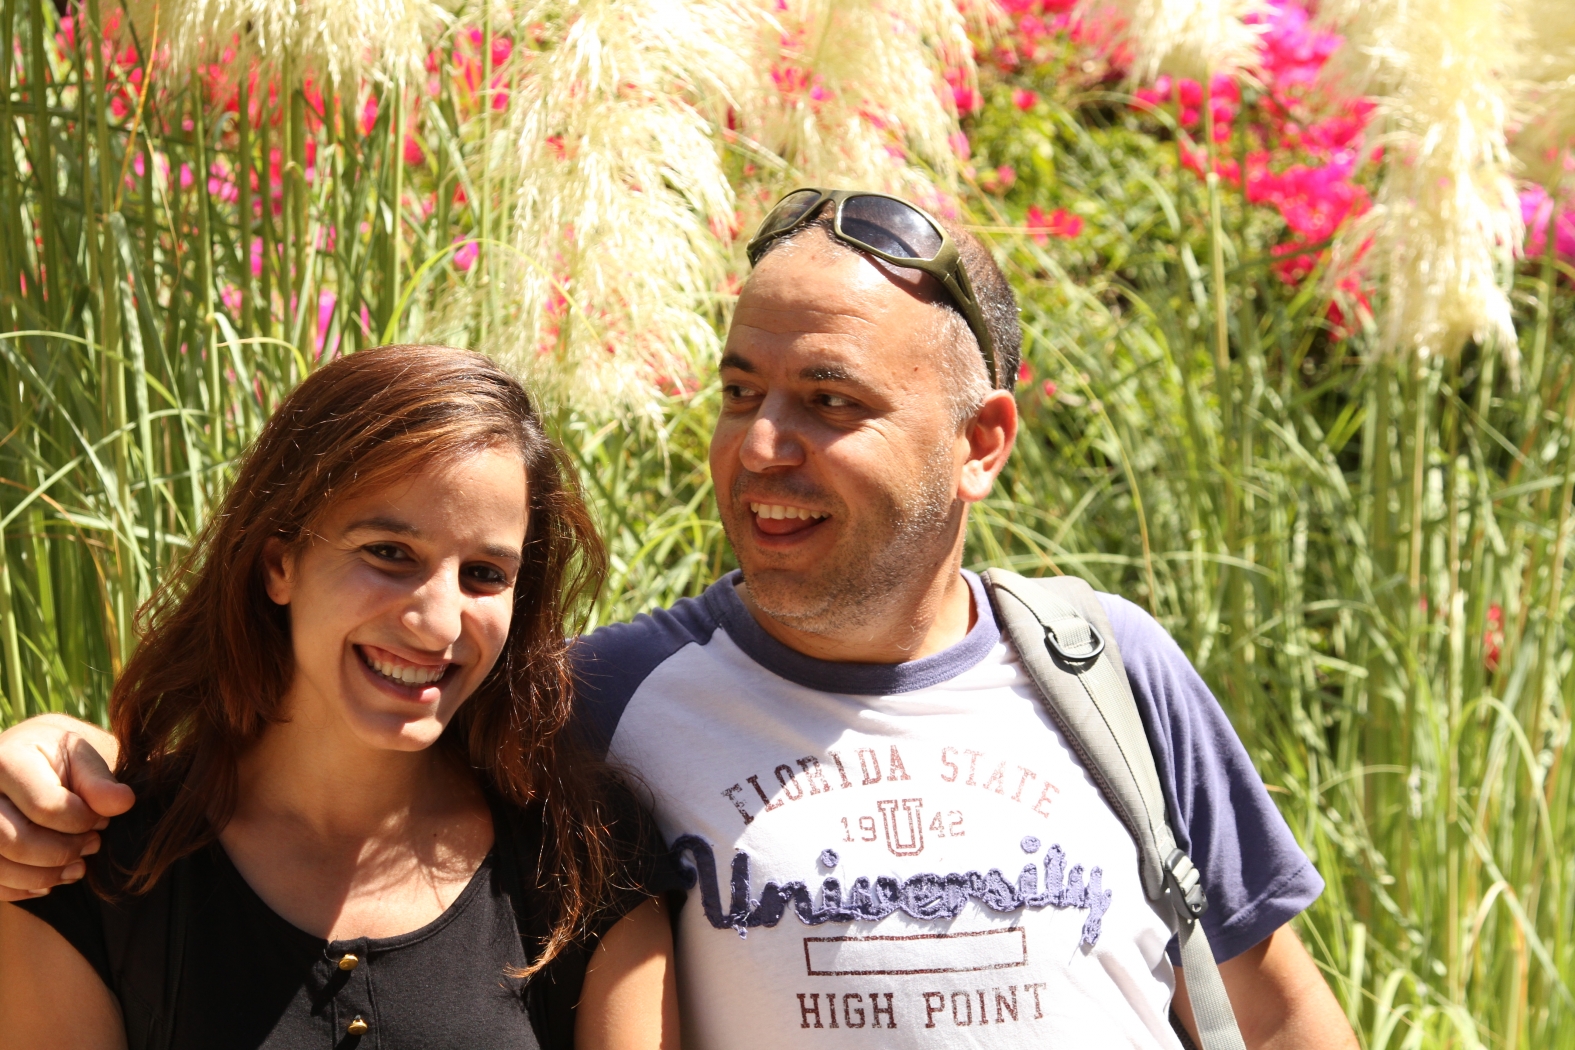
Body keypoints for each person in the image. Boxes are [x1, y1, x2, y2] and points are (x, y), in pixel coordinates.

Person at [0, 191, 1355, 1049]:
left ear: (982, 441)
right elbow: (350, 752)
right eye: (740, 390)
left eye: (828, 401)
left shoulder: (1106, 669)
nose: (760, 445)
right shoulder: (601, 704)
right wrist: (59, 763)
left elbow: (1277, 1006)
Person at [0, 346, 679, 1050]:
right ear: (279, 564)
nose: (438, 624)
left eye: (483, 573)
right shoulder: (87, 869)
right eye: (389, 553)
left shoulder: (585, 855)